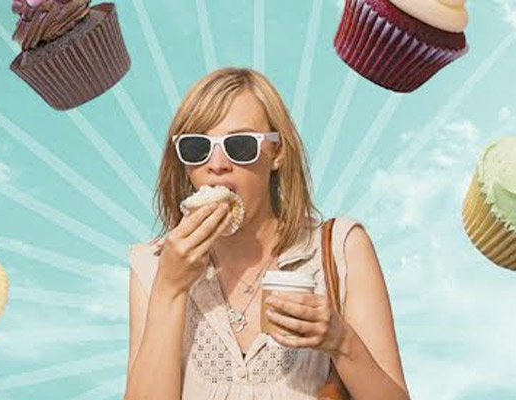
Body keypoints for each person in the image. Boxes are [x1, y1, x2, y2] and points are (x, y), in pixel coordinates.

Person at [124, 67, 410, 400]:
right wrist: (169, 289)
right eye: (196, 147)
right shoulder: (152, 264)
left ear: (277, 153)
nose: (216, 164)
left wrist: (341, 342)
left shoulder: (341, 249)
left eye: (240, 145)